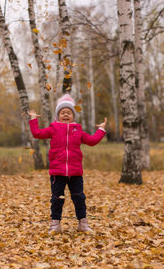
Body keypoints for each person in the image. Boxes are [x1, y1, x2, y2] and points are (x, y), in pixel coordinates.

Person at [28, 94, 107, 235]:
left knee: (79, 198)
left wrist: (100, 130)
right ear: (58, 116)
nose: (65, 114)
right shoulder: (53, 128)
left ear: (73, 116)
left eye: (69, 113)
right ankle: (55, 225)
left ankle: (83, 223)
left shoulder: (78, 130)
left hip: (75, 172)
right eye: (62, 112)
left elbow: (92, 141)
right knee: (57, 199)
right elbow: (37, 133)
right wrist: (33, 120)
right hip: (57, 172)